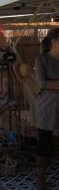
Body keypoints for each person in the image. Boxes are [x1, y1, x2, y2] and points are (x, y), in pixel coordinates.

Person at [34, 28, 59, 189]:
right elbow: (42, 83)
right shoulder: (41, 60)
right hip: (47, 107)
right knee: (45, 141)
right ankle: (41, 178)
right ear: (54, 42)